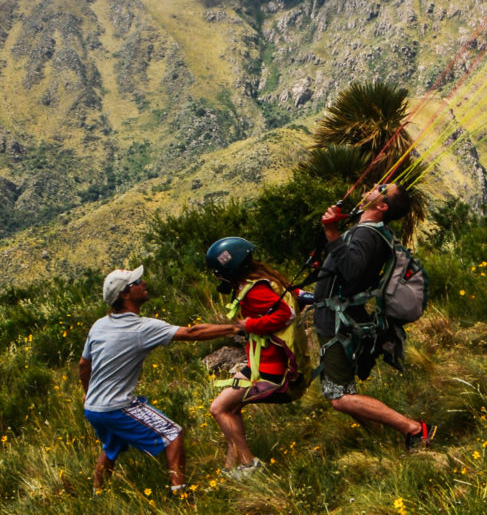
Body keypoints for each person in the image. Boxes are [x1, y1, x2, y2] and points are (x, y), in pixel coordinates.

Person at [79, 265, 236, 494]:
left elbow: (84, 365)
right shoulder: (142, 328)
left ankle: (97, 494)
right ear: (125, 295)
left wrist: (88, 392)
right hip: (117, 407)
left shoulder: (99, 325)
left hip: (94, 408)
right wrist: (234, 327)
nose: (143, 283)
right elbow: (192, 333)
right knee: (173, 435)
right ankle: (180, 495)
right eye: (136, 283)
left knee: (112, 445)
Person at [315, 182, 434, 448]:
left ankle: (414, 429)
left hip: (337, 322)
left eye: (381, 188)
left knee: (340, 397)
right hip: (337, 316)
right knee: (344, 391)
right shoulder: (369, 232)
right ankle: (380, 443)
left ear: (381, 206)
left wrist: (331, 231)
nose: (372, 186)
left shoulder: (367, 235)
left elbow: (351, 271)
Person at [203, 236, 307, 478]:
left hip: (269, 369)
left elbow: (285, 313)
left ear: (231, 266)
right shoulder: (257, 282)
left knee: (218, 408)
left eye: (219, 272)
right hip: (260, 363)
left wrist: (252, 324)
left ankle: (250, 465)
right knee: (230, 408)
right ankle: (231, 468)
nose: (218, 277)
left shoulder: (254, 290)